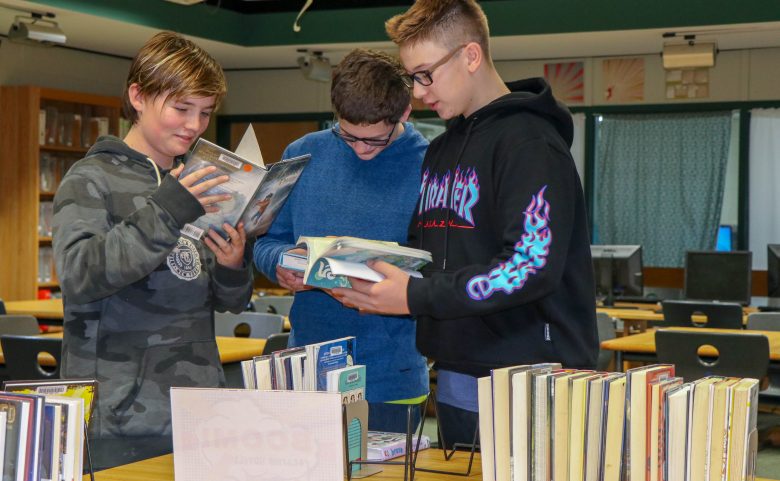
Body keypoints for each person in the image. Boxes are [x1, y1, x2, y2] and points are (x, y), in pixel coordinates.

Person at [333, 0, 598, 448]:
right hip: (458, 377)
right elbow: (427, 254)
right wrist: (376, 272)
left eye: (424, 74)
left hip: (532, 386)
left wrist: (412, 294)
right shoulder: (441, 150)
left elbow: (529, 266)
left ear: (470, 56)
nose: (417, 92)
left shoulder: (530, 143)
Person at [52, 31, 253, 445]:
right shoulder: (90, 179)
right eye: (181, 108)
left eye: (205, 112)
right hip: (119, 416)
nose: (194, 125)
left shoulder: (198, 180)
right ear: (139, 96)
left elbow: (228, 303)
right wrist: (170, 207)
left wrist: (233, 265)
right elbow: (80, 276)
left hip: (200, 408)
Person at [253, 48, 429, 433]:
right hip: (308, 367)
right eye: (348, 137)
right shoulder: (301, 153)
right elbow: (264, 241)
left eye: (376, 141)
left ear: (404, 114)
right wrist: (281, 260)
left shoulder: (432, 165)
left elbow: (446, 273)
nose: (362, 150)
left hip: (391, 376)